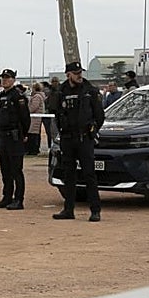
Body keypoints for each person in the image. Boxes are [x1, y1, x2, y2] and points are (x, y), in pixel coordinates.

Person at [53, 61, 105, 222]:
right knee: (69, 175)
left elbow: (100, 116)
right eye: (75, 73)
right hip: (68, 138)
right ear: (68, 74)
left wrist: (93, 130)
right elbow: (57, 114)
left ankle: (95, 210)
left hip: (84, 138)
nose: (79, 75)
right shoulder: (61, 91)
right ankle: (68, 210)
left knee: (89, 174)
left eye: (80, 72)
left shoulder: (90, 91)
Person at [0, 69, 30, 210]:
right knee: (5, 170)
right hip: (3, 137)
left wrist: (23, 135)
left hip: (14, 137)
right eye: (3, 78)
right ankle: (7, 197)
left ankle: (18, 199)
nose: (5, 80)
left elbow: (25, 118)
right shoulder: (2, 96)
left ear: (13, 80)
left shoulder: (17, 96)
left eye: (8, 78)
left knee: (16, 170)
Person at [26, 81, 46, 155]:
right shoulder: (39, 96)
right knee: (34, 134)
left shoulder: (37, 97)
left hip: (34, 118)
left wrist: (27, 111)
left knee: (33, 134)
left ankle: (33, 150)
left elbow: (33, 107)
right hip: (36, 118)